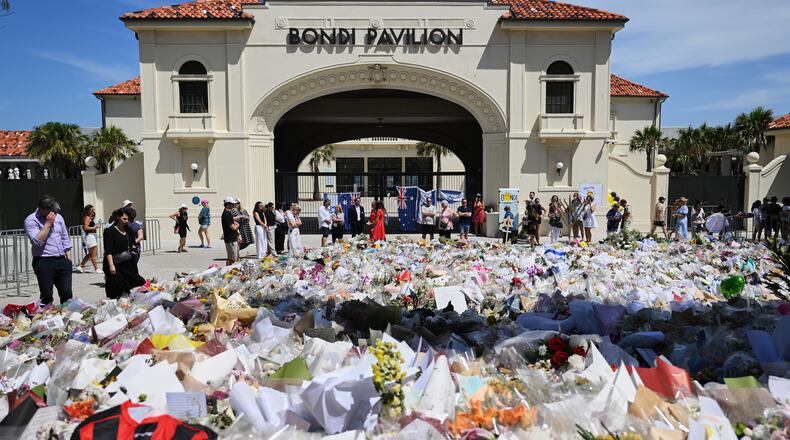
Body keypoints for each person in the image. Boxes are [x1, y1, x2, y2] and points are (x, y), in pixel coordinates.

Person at [24, 195, 73, 305]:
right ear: (43, 209)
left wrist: (69, 260)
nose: (54, 213)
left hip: (62, 260)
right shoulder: (31, 220)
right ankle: (47, 318)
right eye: (52, 211)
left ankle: (66, 316)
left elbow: (65, 238)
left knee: (67, 293)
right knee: (47, 295)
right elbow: (37, 241)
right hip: (43, 261)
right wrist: (48, 223)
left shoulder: (59, 217)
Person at [102, 208, 145, 299]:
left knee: (137, 281)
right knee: (115, 288)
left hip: (127, 262)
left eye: (127, 219)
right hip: (114, 263)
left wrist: (133, 251)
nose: (126, 221)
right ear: (118, 217)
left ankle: (125, 302)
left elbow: (133, 243)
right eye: (124, 219)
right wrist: (111, 265)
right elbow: (108, 250)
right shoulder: (109, 231)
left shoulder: (129, 230)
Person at [77, 204, 101, 274]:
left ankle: (81, 266)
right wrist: (94, 227)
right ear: (88, 211)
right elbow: (85, 228)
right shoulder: (87, 218)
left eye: (93, 210)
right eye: (92, 210)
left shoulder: (89, 218)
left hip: (91, 236)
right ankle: (96, 268)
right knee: (93, 254)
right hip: (90, 236)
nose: (93, 211)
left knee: (91, 254)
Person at [221, 197, 240, 265]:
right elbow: (233, 228)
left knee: (231, 257)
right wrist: (238, 225)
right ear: (228, 204)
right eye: (232, 204)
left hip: (231, 238)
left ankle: (229, 271)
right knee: (232, 258)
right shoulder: (226, 214)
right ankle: (230, 272)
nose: (234, 205)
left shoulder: (228, 213)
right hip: (230, 239)